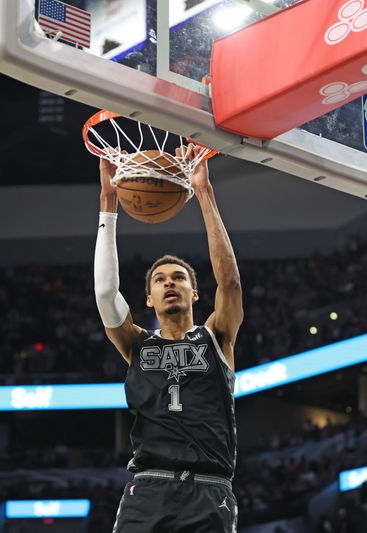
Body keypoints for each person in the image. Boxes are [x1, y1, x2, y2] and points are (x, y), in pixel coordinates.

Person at [94, 144, 242, 532]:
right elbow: (106, 295)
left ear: (195, 293)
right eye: (159, 280)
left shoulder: (217, 337)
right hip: (149, 488)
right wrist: (109, 201)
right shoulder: (136, 343)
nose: (169, 283)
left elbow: (229, 283)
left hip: (210, 489)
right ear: (149, 298)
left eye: (178, 277)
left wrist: (204, 193)